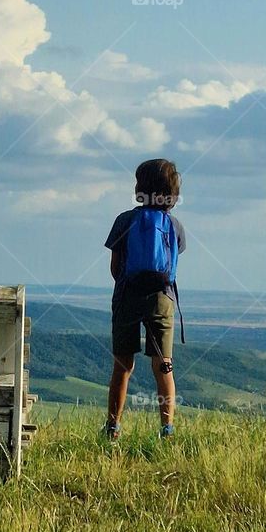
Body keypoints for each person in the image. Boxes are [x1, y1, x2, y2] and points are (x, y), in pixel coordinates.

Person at [103, 158, 186, 441]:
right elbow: (172, 264)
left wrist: (127, 287)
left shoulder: (124, 221)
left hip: (127, 295)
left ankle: (113, 428)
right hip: (162, 298)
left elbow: (115, 267)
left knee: (123, 365)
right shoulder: (174, 225)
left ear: (140, 187)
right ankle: (167, 429)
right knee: (164, 364)